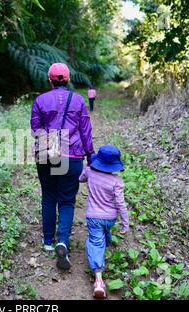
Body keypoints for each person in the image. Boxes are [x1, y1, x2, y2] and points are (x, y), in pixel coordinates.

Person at [30, 62, 94, 270]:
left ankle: (48, 241)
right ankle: (62, 241)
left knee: (48, 195)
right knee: (67, 200)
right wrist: (90, 156)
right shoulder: (78, 100)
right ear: (67, 80)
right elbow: (85, 130)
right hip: (72, 155)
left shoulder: (40, 100)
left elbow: (35, 129)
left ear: (49, 80)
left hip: (47, 154)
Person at [78, 145, 129, 298]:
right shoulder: (117, 181)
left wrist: (87, 167)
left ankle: (98, 280)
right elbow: (121, 203)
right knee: (104, 233)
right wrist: (125, 222)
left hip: (94, 217)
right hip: (110, 218)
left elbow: (80, 179)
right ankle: (105, 246)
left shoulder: (90, 173)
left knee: (95, 242)